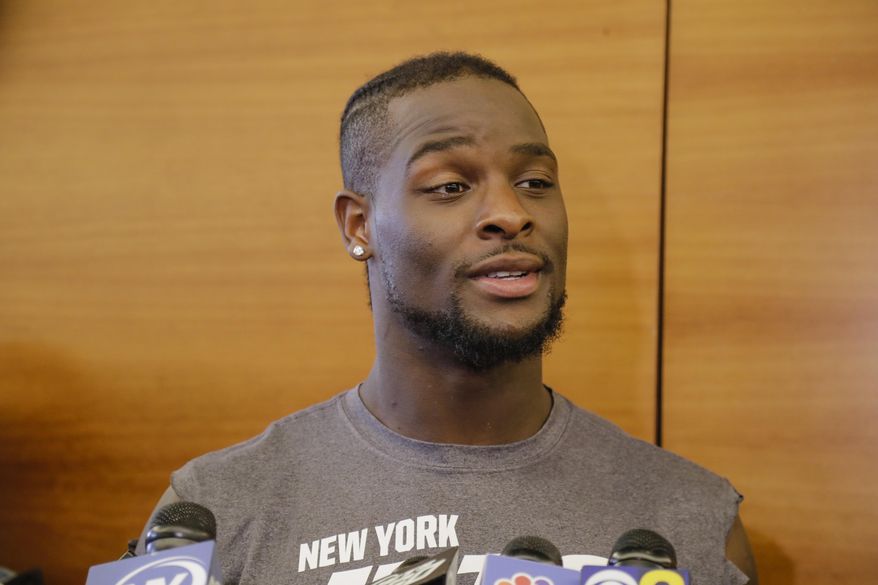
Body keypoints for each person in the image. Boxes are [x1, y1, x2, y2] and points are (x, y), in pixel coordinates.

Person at [137, 52, 758, 585]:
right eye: (450, 187)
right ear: (360, 225)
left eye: (536, 180)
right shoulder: (212, 514)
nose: (511, 213)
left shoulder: (690, 520)